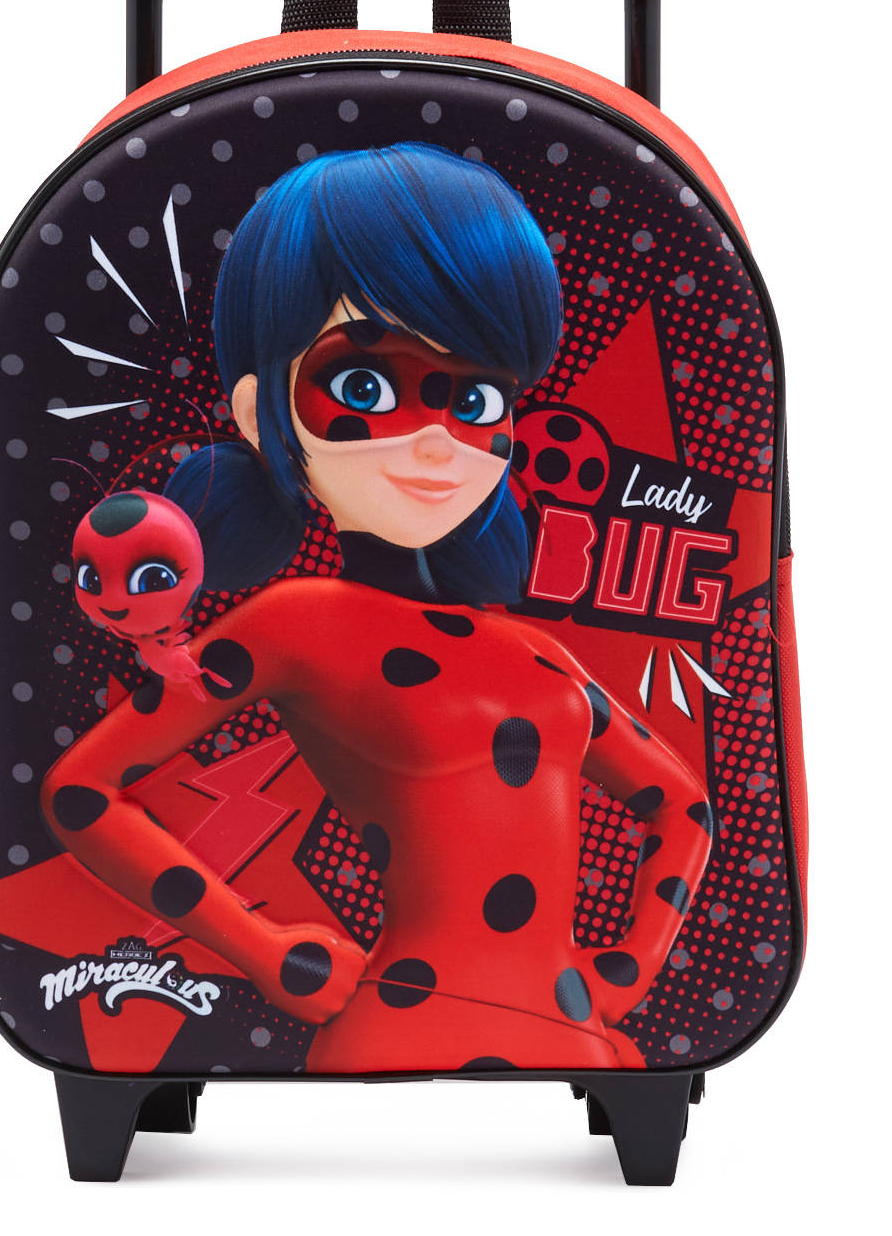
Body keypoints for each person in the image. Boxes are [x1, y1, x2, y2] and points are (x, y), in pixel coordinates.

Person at [42, 143, 711, 1070]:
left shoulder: (531, 650)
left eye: (477, 397)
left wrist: (629, 973)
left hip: (581, 1036)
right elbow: (82, 791)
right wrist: (263, 948)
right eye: (368, 386)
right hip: (399, 1020)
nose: (438, 442)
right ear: (258, 412)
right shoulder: (296, 621)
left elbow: (682, 805)